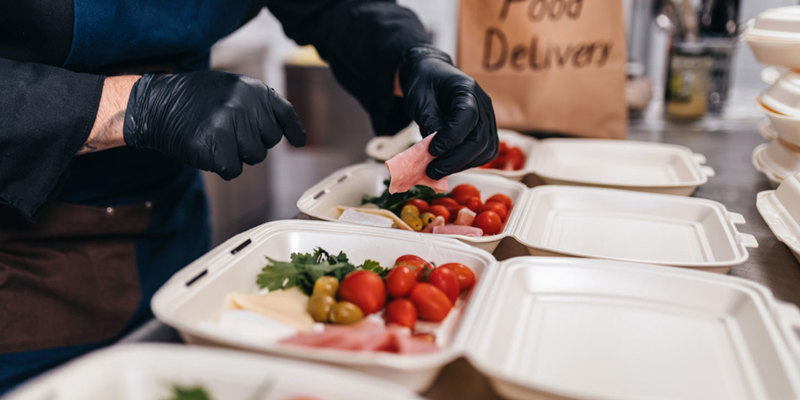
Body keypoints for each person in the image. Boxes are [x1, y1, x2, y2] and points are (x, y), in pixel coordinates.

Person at [0, 0, 497, 393]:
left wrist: (407, 55)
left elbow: (331, 5)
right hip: (22, 272)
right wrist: (131, 105)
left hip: (172, 232)